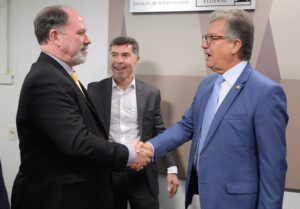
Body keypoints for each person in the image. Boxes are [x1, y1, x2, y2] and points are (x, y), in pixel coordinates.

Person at [141, 9, 288, 209]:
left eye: (213, 38)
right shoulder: (207, 85)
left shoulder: (266, 93)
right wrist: (151, 147)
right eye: (205, 37)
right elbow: (187, 126)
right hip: (204, 198)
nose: (204, 45)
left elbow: (273, 167)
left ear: (235, 45)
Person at [11, 6, 151, 209]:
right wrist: (129, 153)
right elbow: (78, 142)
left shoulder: (60, 75)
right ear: (55, 36)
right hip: (55, 199)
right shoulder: (46, 79)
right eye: (80, 33)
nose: (88, 40)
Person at [88, 36, 179, 209]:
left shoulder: (151, 93)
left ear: (136, 59)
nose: (118, 61)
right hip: (107, 173)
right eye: (114, 55)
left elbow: (159, 131)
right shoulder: (94, 90)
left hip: (141, 172)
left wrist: (171, 168)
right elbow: (89, 131)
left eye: (125, 55)